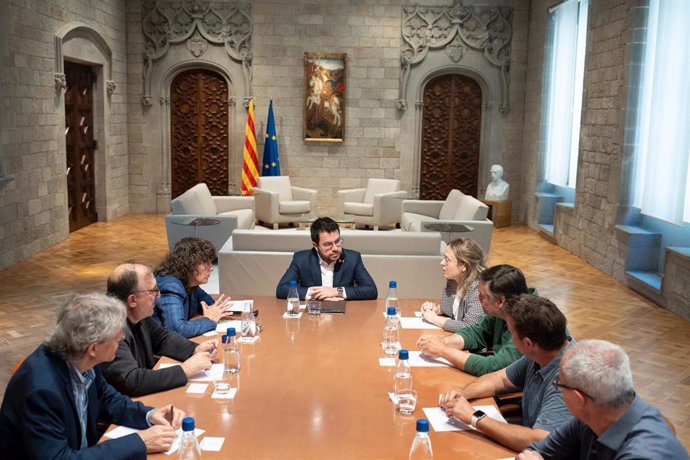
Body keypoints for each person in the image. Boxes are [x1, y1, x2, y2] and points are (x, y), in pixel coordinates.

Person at [0, 293, 185, 459]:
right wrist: (140, 442)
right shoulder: (42, 391)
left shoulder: (80, 356)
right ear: (94, 348)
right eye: (117, 336)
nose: (121, 338)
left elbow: (107, 398)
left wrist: (149, 414)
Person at [440, 294, 573, 452]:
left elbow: (539, 440)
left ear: (528, 343)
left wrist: (475, 417)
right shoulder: (540, 353)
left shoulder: (569, 377)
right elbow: (501, 379)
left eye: (511, 334)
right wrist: (462, 392)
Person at [517, 340, 688, 460]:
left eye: (558, 384)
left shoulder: (644, 454)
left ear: (578, 399)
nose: (557, 389)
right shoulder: (590, 418)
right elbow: (536, 451)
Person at [102, 263, 218, 396]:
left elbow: (162, 338)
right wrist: (184, 370)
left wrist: (194, 349)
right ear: (132, 300)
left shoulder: (139, 316)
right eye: (153, 291)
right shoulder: (111, 330)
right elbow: (132, 381)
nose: (158, 297)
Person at [417, 264, 529, 375]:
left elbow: (492, 367)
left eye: (482, 296)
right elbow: (476, 333)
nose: (477, 299)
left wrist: (443, 351)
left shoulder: (528, 323)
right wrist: (444, 342)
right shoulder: (503, 311)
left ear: (500, 301)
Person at [276, 217, 377, 300]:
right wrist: (318, 293)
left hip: (342, 315)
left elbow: (371, 290)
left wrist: (336, 291)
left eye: (337, 241)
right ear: (316, 246)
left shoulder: (352, 258)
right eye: (328, 244)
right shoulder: (301, 259)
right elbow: (281, 289)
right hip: (313, 314)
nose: (335, 248)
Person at [154, 237, 234, 338]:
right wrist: (209, 320)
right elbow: (177, 330)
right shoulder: (171, 286)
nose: (211, 268)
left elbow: (208, 304)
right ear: (189, 265)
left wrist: (215, 310)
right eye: (206, 263)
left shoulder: (188, 281)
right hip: (159, 351)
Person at [419, 238, 486, 332]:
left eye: (447, 260)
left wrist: (434, 318)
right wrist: (435, 310)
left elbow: (471, 328)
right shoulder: (454, 280)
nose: (441, 263)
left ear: (463, 266)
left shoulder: (479, 289)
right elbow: (449, 309)